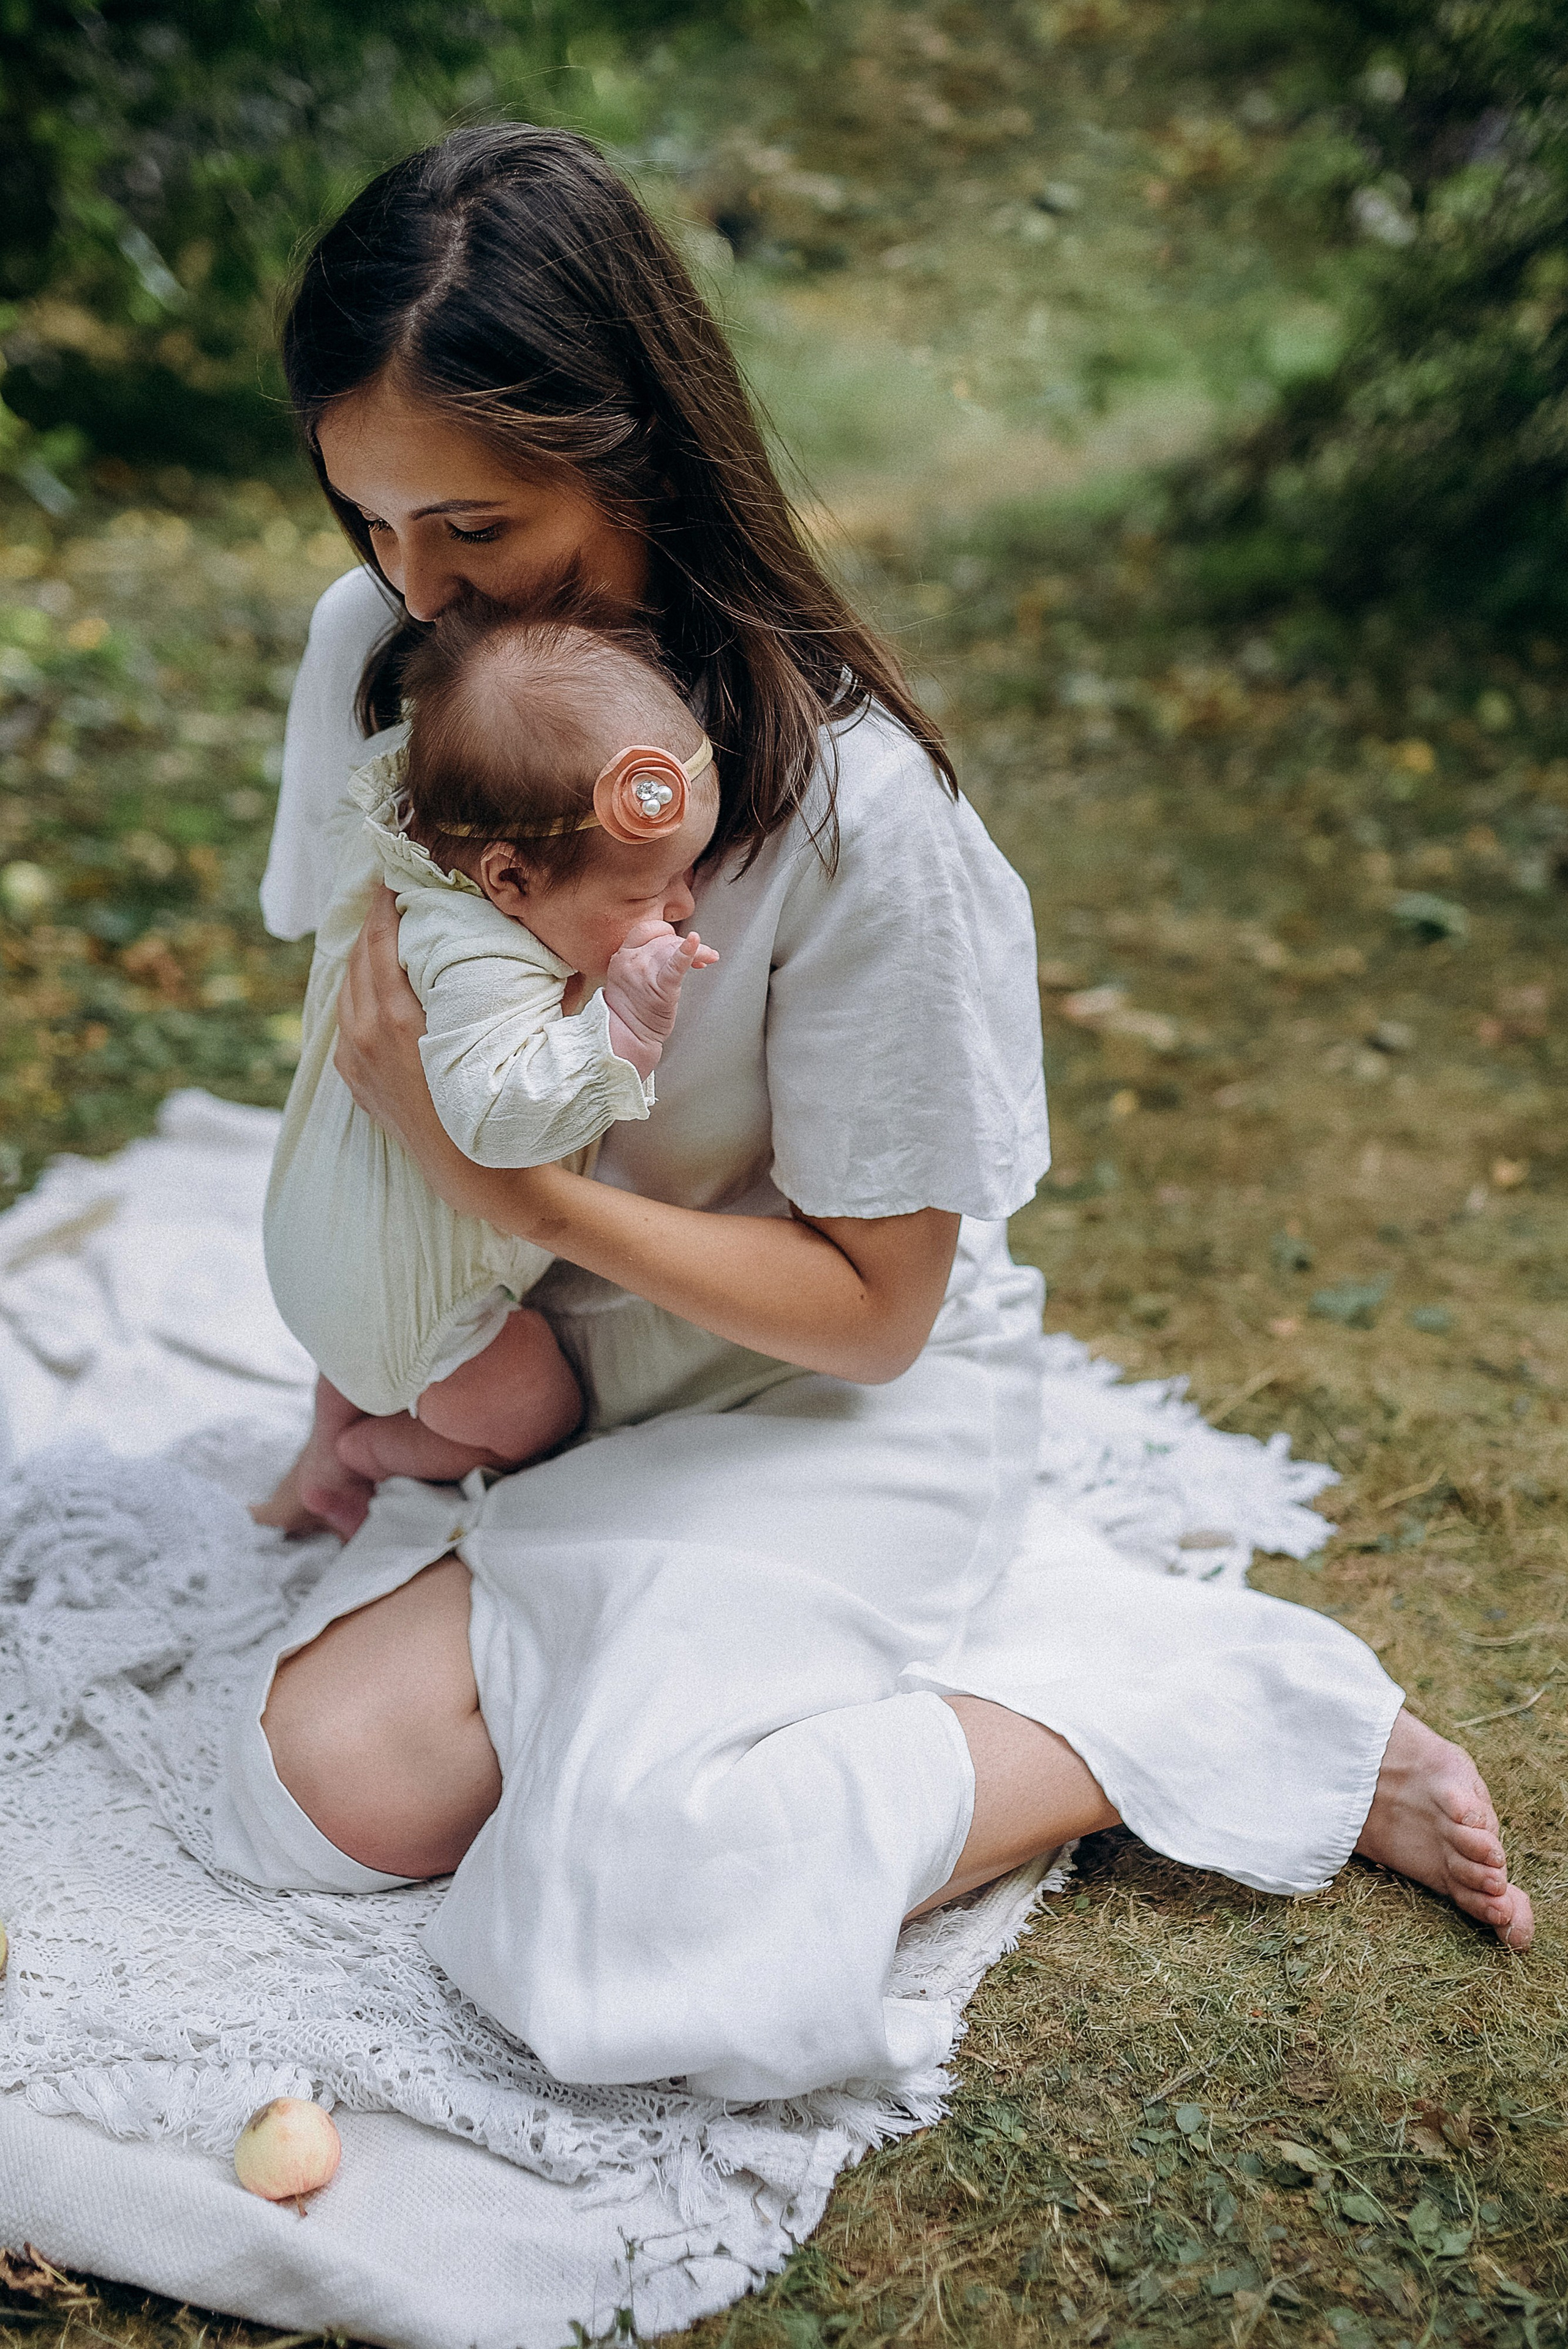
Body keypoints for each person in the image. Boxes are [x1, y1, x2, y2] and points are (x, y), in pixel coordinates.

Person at [213, 124, 1529, 2104]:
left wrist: (521, 1182)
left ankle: (1196, 1703)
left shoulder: (862, 822)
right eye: (372, 521)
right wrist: (384, 1334)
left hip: (826, 1401)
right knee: (303, 1796)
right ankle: (941, 1617)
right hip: (561, 1379)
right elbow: (367, 1016)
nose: (420, 590)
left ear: (635, 444)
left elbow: (876, 1309)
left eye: (475, 527)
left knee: (620, 1905)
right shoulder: (382, 659)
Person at [255, 605, 722, 1537]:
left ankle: (323, 1440)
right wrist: (623, 1025)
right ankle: (365, 1457)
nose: (682, 903)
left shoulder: (426, 855)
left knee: (362, 1340)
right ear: (507, 881)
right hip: (420, 1303)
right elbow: (496, 1121)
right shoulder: (476, 960)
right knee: (532, 1405)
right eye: (644, 893)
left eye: (686, 873)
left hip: (334, 1251)